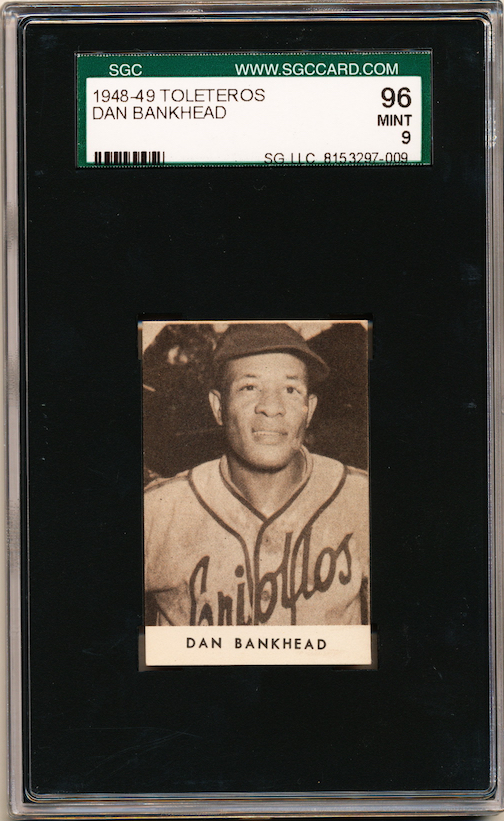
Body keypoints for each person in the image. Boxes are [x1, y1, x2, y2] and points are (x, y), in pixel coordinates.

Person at [144, 322, 369, 627]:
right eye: (249, 387)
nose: (271, 407)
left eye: (291, 389)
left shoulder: (360, 500)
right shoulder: (158, 512)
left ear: (309, 409)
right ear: (218, 407)